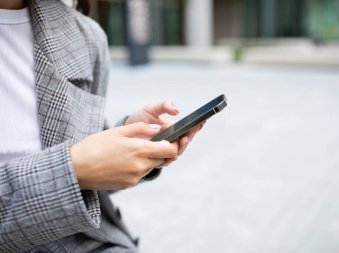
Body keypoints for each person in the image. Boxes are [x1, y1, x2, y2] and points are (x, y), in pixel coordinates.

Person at [0, 0, 202, 252]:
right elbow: (78, 165)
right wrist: (71, 171)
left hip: (85, 241)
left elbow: (90, 171)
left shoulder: (85, 36)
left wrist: (129, 134)